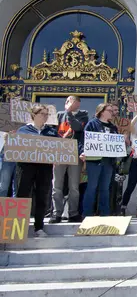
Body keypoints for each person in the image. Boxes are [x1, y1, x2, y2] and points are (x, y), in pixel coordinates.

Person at [15, 104, 58, 237]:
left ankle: (39, 227)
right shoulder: (23, 130)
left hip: (44, 168)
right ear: (34, 115)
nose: (45, 117)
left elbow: (61, 147)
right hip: (26, 167)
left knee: (42, 196)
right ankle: (18, 228)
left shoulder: (51, 132)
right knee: (22, 195)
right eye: (42, 114)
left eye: (47, 114)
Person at [48, 96, 88, 223]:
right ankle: (56, 213)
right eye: (67, 101)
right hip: (59, 153)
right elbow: (52, 131)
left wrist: (69, 113)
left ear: (78, 103)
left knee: (74, 186)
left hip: (75, 154)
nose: (68, 103)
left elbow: (77, 128)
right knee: (57, 185)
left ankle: (73, 213)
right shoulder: (59, 115)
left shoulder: (83, 115)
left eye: (71, 101)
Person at [81, 103, 118, 217]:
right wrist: (83, 151)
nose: (112, 113)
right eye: (110, 110)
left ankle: (104, 213)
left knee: (105, 188)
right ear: (102, 111)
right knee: (92, 187)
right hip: (94, 161)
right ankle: (87, 213)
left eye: (113, 111)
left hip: (108, 162)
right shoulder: (92, 124)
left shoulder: (113, 127)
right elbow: (85, 140)